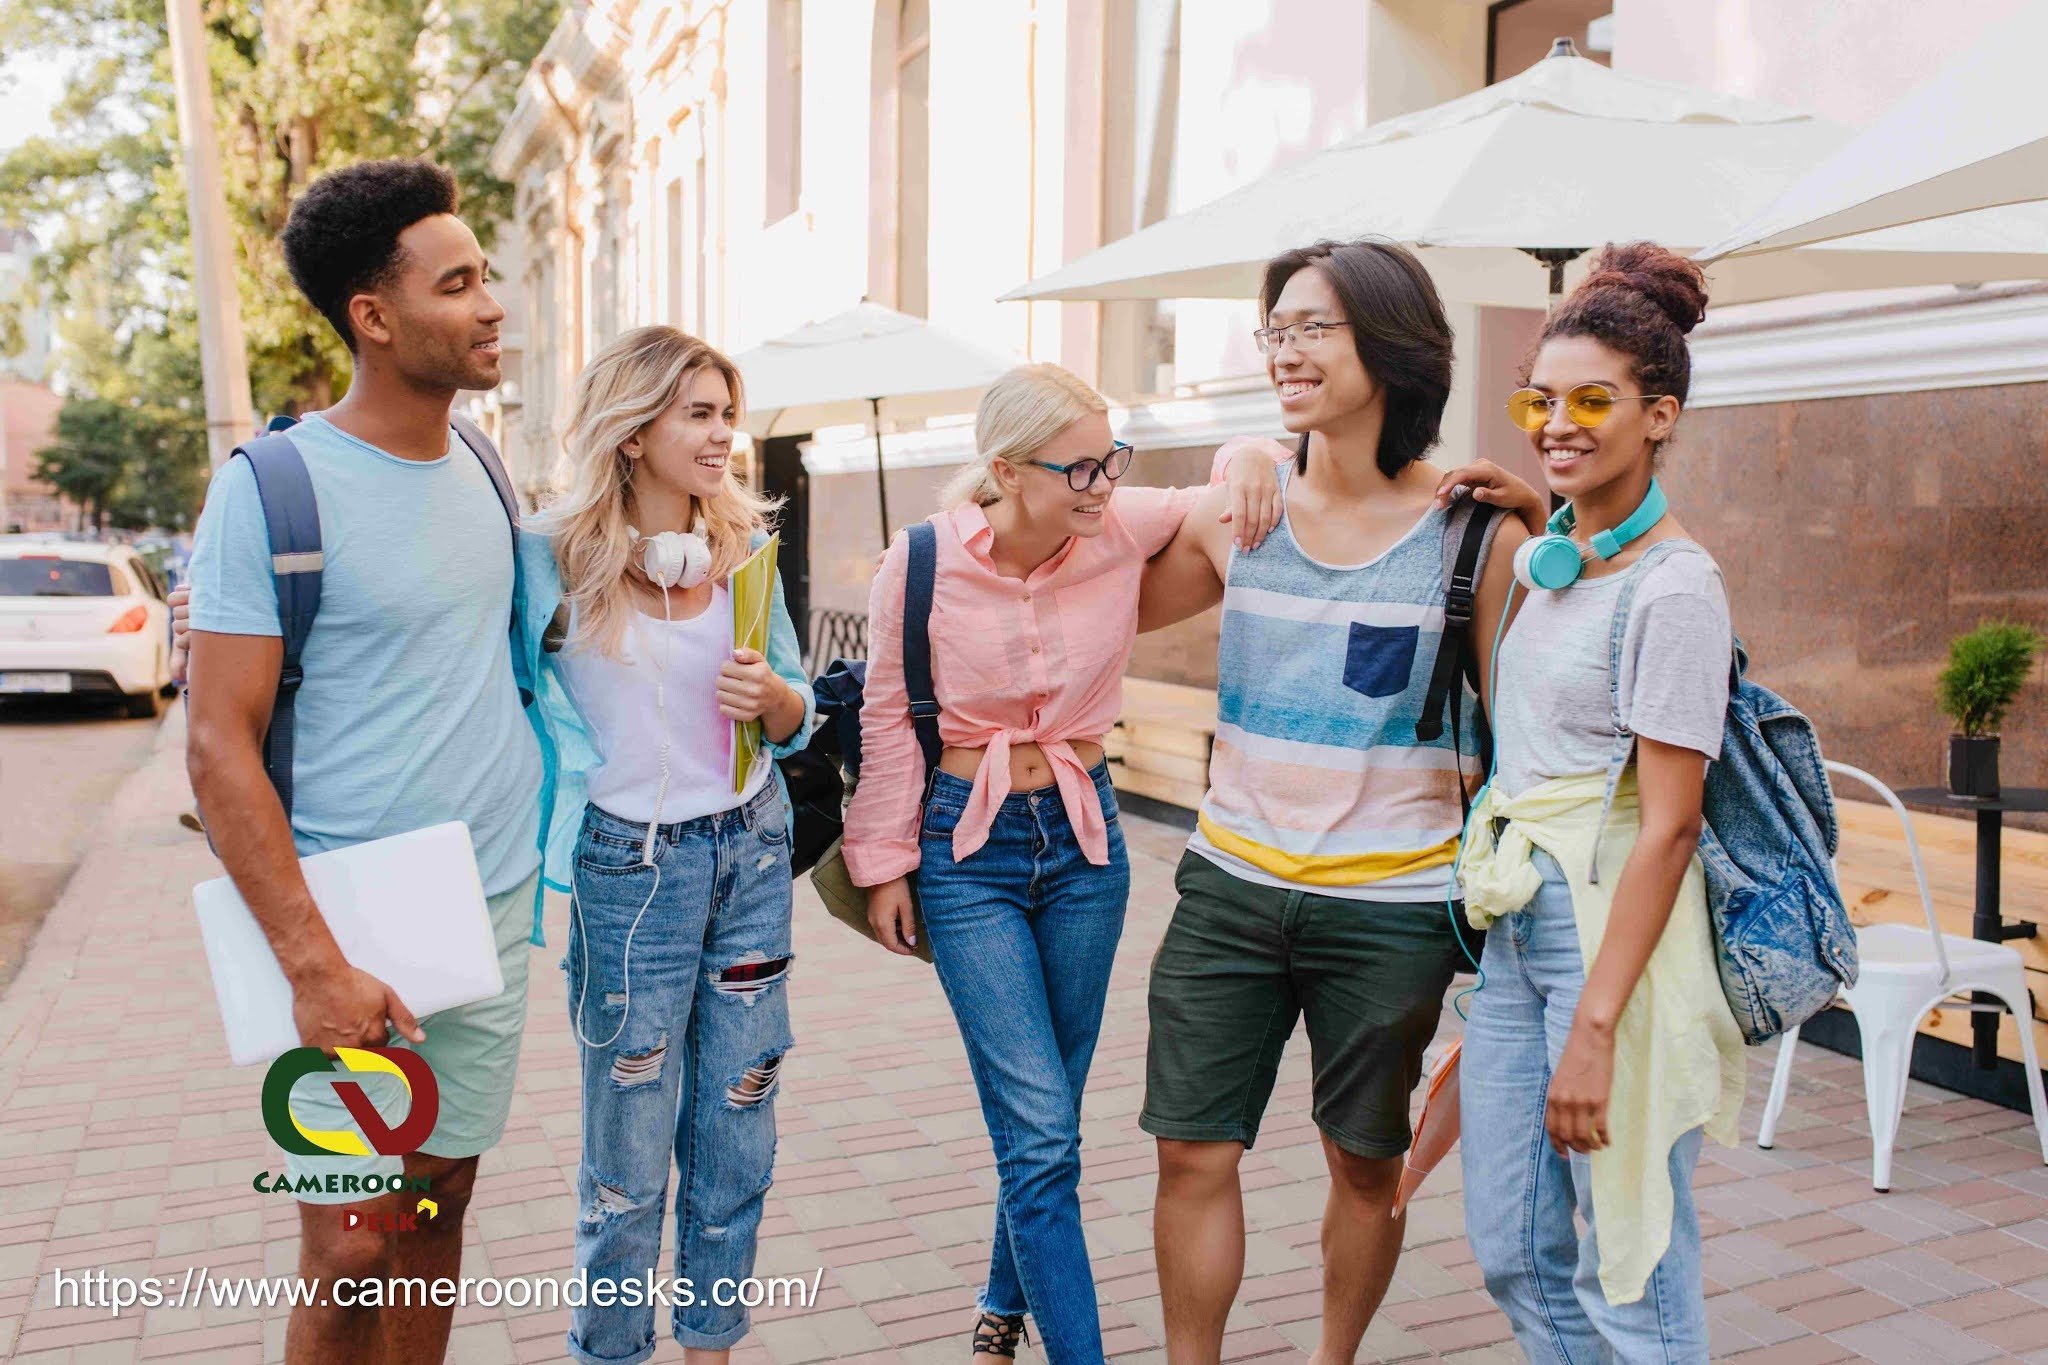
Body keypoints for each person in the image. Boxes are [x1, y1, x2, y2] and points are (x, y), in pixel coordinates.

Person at [1133, 238, 1527, 1364]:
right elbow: (1085, 593)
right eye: (1276, 330)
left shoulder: (1476, 538)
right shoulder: (1234, 517)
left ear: (1391, 346)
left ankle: (1331, 1358)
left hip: (1394, 908)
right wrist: (1229, 455)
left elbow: (1534, 730)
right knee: (1190, 1151)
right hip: (1230, 890)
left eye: (1313, 327)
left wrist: (1543, 514)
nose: (1284, 350)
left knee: (1365, 1160)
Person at [841, 363, 1284, 1362]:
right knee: (1040, 1132)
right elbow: (882, 719)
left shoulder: (1116, 526)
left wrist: (1247, 449)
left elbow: (1229, 490)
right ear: (1004, 470)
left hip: (1087, 847)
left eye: (1110, 460)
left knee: (1053, 1113)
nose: (1101, 484)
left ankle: (1003, 1302)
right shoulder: (917, 563)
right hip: (965, 853)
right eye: (1078, 466)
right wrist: (880, 866)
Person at [182, 159, 542, 1364]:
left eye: (487, 276)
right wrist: (313, 966)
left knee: (432, 1224)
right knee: (347, 1249)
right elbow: (216, 740)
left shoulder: (486, 465)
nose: (493, 304)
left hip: (483, 918)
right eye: (459, 285)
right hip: (345, 928)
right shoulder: (272, 490)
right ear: (373, 318)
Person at [1442, 242, 1745, 1363]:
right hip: (1522, 923)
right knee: (1513, 1248)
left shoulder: (1675, 591)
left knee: (1632, 1260)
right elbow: (1564, 574)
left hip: (1610, 935)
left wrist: (1594, 1029)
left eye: (1591, 402)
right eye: (1540, 399)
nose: (1555, 421)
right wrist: (1541, 501)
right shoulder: (1553, 558)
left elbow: (1669, 826)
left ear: (1658, 415)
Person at [517, 324, 815, 1361]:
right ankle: (610, 1350)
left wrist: (777, 698)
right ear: (633, 430)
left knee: (737, 1132)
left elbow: (796, 712)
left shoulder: (747, 553)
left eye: (728, 413)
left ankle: (711, 1348)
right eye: (699, 413)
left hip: (751, 854)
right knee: (627, 1154)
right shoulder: (546, 561)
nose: (724, 434)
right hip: (624, 871)